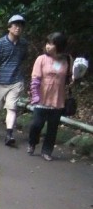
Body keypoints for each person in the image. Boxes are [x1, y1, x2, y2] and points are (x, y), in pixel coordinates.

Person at [27, 32, 72, 161]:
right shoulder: (41, 59)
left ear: (59, 46)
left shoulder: (67, 60)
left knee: (52, 128)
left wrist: (75, 76)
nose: (48, 46)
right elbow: (35, 78)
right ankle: (32, 142)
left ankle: (47, 151)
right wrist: (35, 95)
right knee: (36, 125)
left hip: (58, 100)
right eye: (47, 43)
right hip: (42, 98)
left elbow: (69, 77)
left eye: (51, 44)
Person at [0, 14, 29, 146]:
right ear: (9, 27)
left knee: (12, 107)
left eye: (21, 25)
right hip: (0, 80)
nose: (18, 28)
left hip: (16, 80)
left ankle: (9, 134)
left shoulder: (24, 44)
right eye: (16, 25)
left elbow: (23, 59)